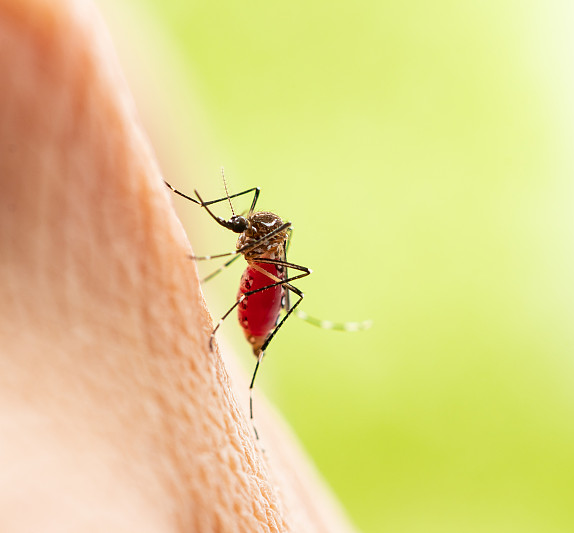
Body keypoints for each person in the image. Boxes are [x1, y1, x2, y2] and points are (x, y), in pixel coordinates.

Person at [0, 1, 355, 531]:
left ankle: (249, 368)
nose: (236, 227)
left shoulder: (261, 257)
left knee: (267, 288)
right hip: (257, 285)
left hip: (261, 293)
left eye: (239, 225)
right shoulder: (255, 233)